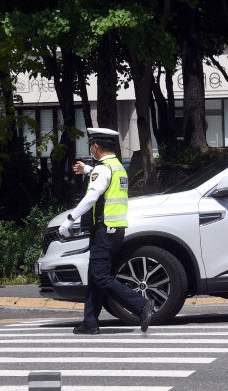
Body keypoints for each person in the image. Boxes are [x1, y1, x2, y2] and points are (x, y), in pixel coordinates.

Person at [60, 128, 155, 335]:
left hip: (105, 230)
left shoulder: (102, 169)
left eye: (91, 146)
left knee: (100, 276)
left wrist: (70, 219)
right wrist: (88, 170)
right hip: (116, 228)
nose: (91, 149)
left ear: (96, 146)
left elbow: (92, 196)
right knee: (96, 275)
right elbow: (104, 180)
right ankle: (90, 322)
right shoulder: (117, 167)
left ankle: (141, 305)